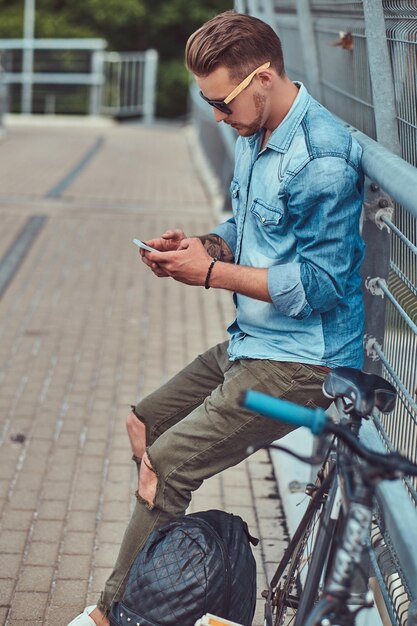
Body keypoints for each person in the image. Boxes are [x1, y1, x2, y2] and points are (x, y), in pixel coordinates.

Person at [69, 9, 364, 626]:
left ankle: (113, 613)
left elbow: (325, 285)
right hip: (253, 342)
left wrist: (208, 274)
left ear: (262, 78)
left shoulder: (322, 158)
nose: (216, 117)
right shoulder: (253, 133)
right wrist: (206, 244)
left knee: (170, 464)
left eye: (222, 103)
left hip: (305, 367)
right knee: (144, 425)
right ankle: (174, 583)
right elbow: (249, 229)